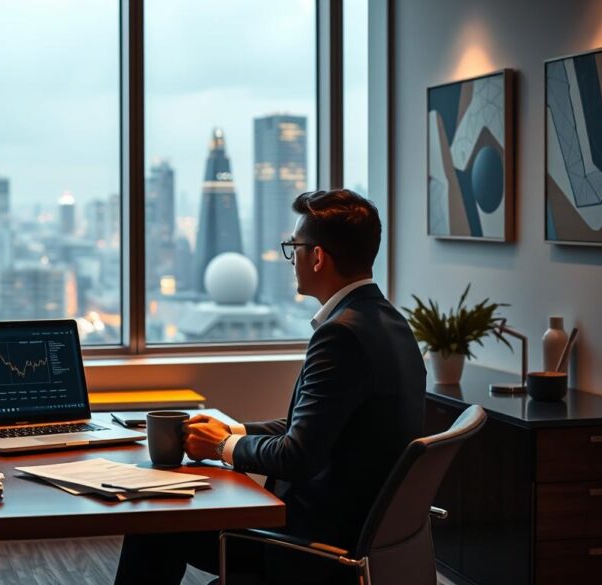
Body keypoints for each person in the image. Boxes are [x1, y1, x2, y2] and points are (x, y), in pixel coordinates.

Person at [114, 189, 426, 585]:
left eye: (294, 248)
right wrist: (234, 431)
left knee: (155, 522)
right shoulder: (391, 324)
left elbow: (298, 456)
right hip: (352, 534)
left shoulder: (341, 335)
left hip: (306, 548)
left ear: (317, 257)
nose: (291, 258)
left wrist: (221, 447)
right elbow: (312, 427)